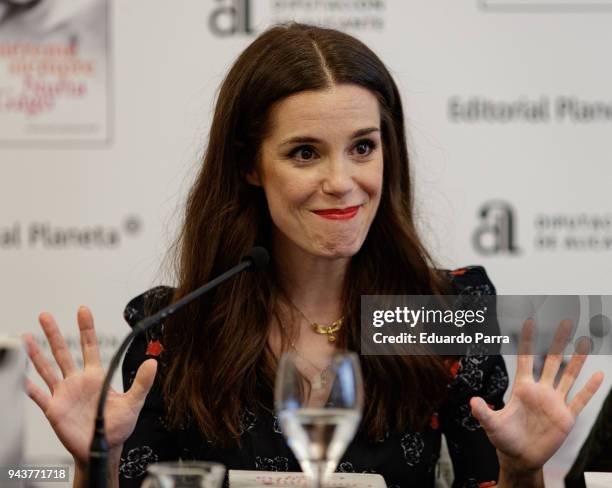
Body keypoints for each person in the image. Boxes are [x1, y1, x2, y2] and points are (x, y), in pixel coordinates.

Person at [22, 22, 604, 488]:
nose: (342, 181)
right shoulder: (175, 327)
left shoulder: (436, 311)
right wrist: (92, 462)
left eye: (362, 147)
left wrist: (524, 470)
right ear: (251, 166)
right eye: (305, 153)